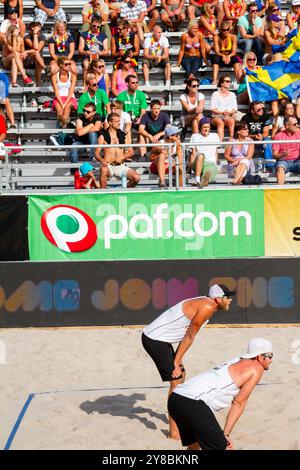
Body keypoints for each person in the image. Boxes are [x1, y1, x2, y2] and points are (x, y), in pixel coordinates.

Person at [142, 283, 235, 439]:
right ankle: (174, 433)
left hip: (162, 340)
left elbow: (187, 336)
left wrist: (177, 361)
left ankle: (177, 425)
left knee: (181, 377)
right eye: (228, 297)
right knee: (176, 381)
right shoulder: (206, 308)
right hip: (154, 339)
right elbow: (189, 336)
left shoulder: (206, 303)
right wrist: (175, 362)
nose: (230, 300)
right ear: (218, 299)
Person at [168, 337, 273, 450]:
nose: (271, 360)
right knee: (225, 448)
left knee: (195, 444)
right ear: (260, 357)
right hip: (192, 403)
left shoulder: (237, 359)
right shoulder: (257, 368)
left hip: (176, 398)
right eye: (270, 356)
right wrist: (226, 434)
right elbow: (239, 403)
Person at [95, 112, 140, 189]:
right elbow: (96, 153)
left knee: (136, 178)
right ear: (110, 122)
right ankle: (103, 194)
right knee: (103, 169)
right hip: (109, 166)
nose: (119, 123)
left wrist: (122, 157)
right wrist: (102, 160)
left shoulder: (123, 135)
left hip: (121, 166)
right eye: (116, 121)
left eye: (119, 121)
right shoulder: (103, 136)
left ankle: (120, 190)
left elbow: (131, 152)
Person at [78, 13, 109, 89]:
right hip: (88, 58)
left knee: (102, 63)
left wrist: (101, 53)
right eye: (94, 25)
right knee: (85, 63)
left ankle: (104, 86)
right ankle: (85, 86)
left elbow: (106, 51)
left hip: (98, 57)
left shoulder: (103, 36)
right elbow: (80, 50)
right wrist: (86, 52)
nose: (95, 28)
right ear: (90, 24)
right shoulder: (84, 35)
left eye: (98, 26)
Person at [189, 117, 220, 188]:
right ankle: (197, 180)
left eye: (208, 127)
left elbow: (216, 153)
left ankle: (204, 181)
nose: (206, 129)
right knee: (200, 155)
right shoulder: (195, 136)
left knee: (210, 171)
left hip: (210, 163)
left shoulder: (215, 136)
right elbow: (193, 154)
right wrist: (190, 168)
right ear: (200, 127)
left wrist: (215, 163)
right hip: (198, 162)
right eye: (204, 127)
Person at [272, 116, 300, 185]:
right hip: (283, 161)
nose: (297, 126)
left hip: (297, 161)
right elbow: (274, 155)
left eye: (297, 124)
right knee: (280, 168)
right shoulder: (278, 136)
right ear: (287, 126)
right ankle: (280, 191)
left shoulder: (299, 134)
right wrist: (282, 155)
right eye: (294, 124)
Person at [51, 56, 77, 128]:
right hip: (58, 97)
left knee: (66, 111)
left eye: (69, 64)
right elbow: (56, 91)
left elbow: (71, 92)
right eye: (66, 64)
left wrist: (64, 104)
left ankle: (64, 133)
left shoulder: (73, 75)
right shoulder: (54, 76)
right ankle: (59, 134)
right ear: (61, 65)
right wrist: (61, 103)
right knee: (59, 112)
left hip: (70, 97)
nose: (68, 66)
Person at [210, 75, 237, 141]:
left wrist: (228, 113)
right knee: (220, 122)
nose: (229, 83)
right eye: (227, 81)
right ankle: (220, 142)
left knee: (231, 120)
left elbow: (234, 109)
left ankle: (231, 141)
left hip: (228, 116)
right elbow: (212, 109)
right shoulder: (215, 94)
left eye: (230, 81)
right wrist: (222, 112)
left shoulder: (232, 94)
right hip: (216, 116)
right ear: (221, 83)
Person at [23, 22, 46, 87]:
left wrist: (27, 51)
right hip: (28, 61)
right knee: (36, 53)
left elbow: (38, 49)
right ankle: (45, 67)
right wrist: (35, 34)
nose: (39, 31)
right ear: (31, 29)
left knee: (38, 59)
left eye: (39, 29)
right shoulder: (27, 37)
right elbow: (35, 48)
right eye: (37, 29)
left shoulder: (42, 36)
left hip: (38, 61)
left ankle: (38, 85)